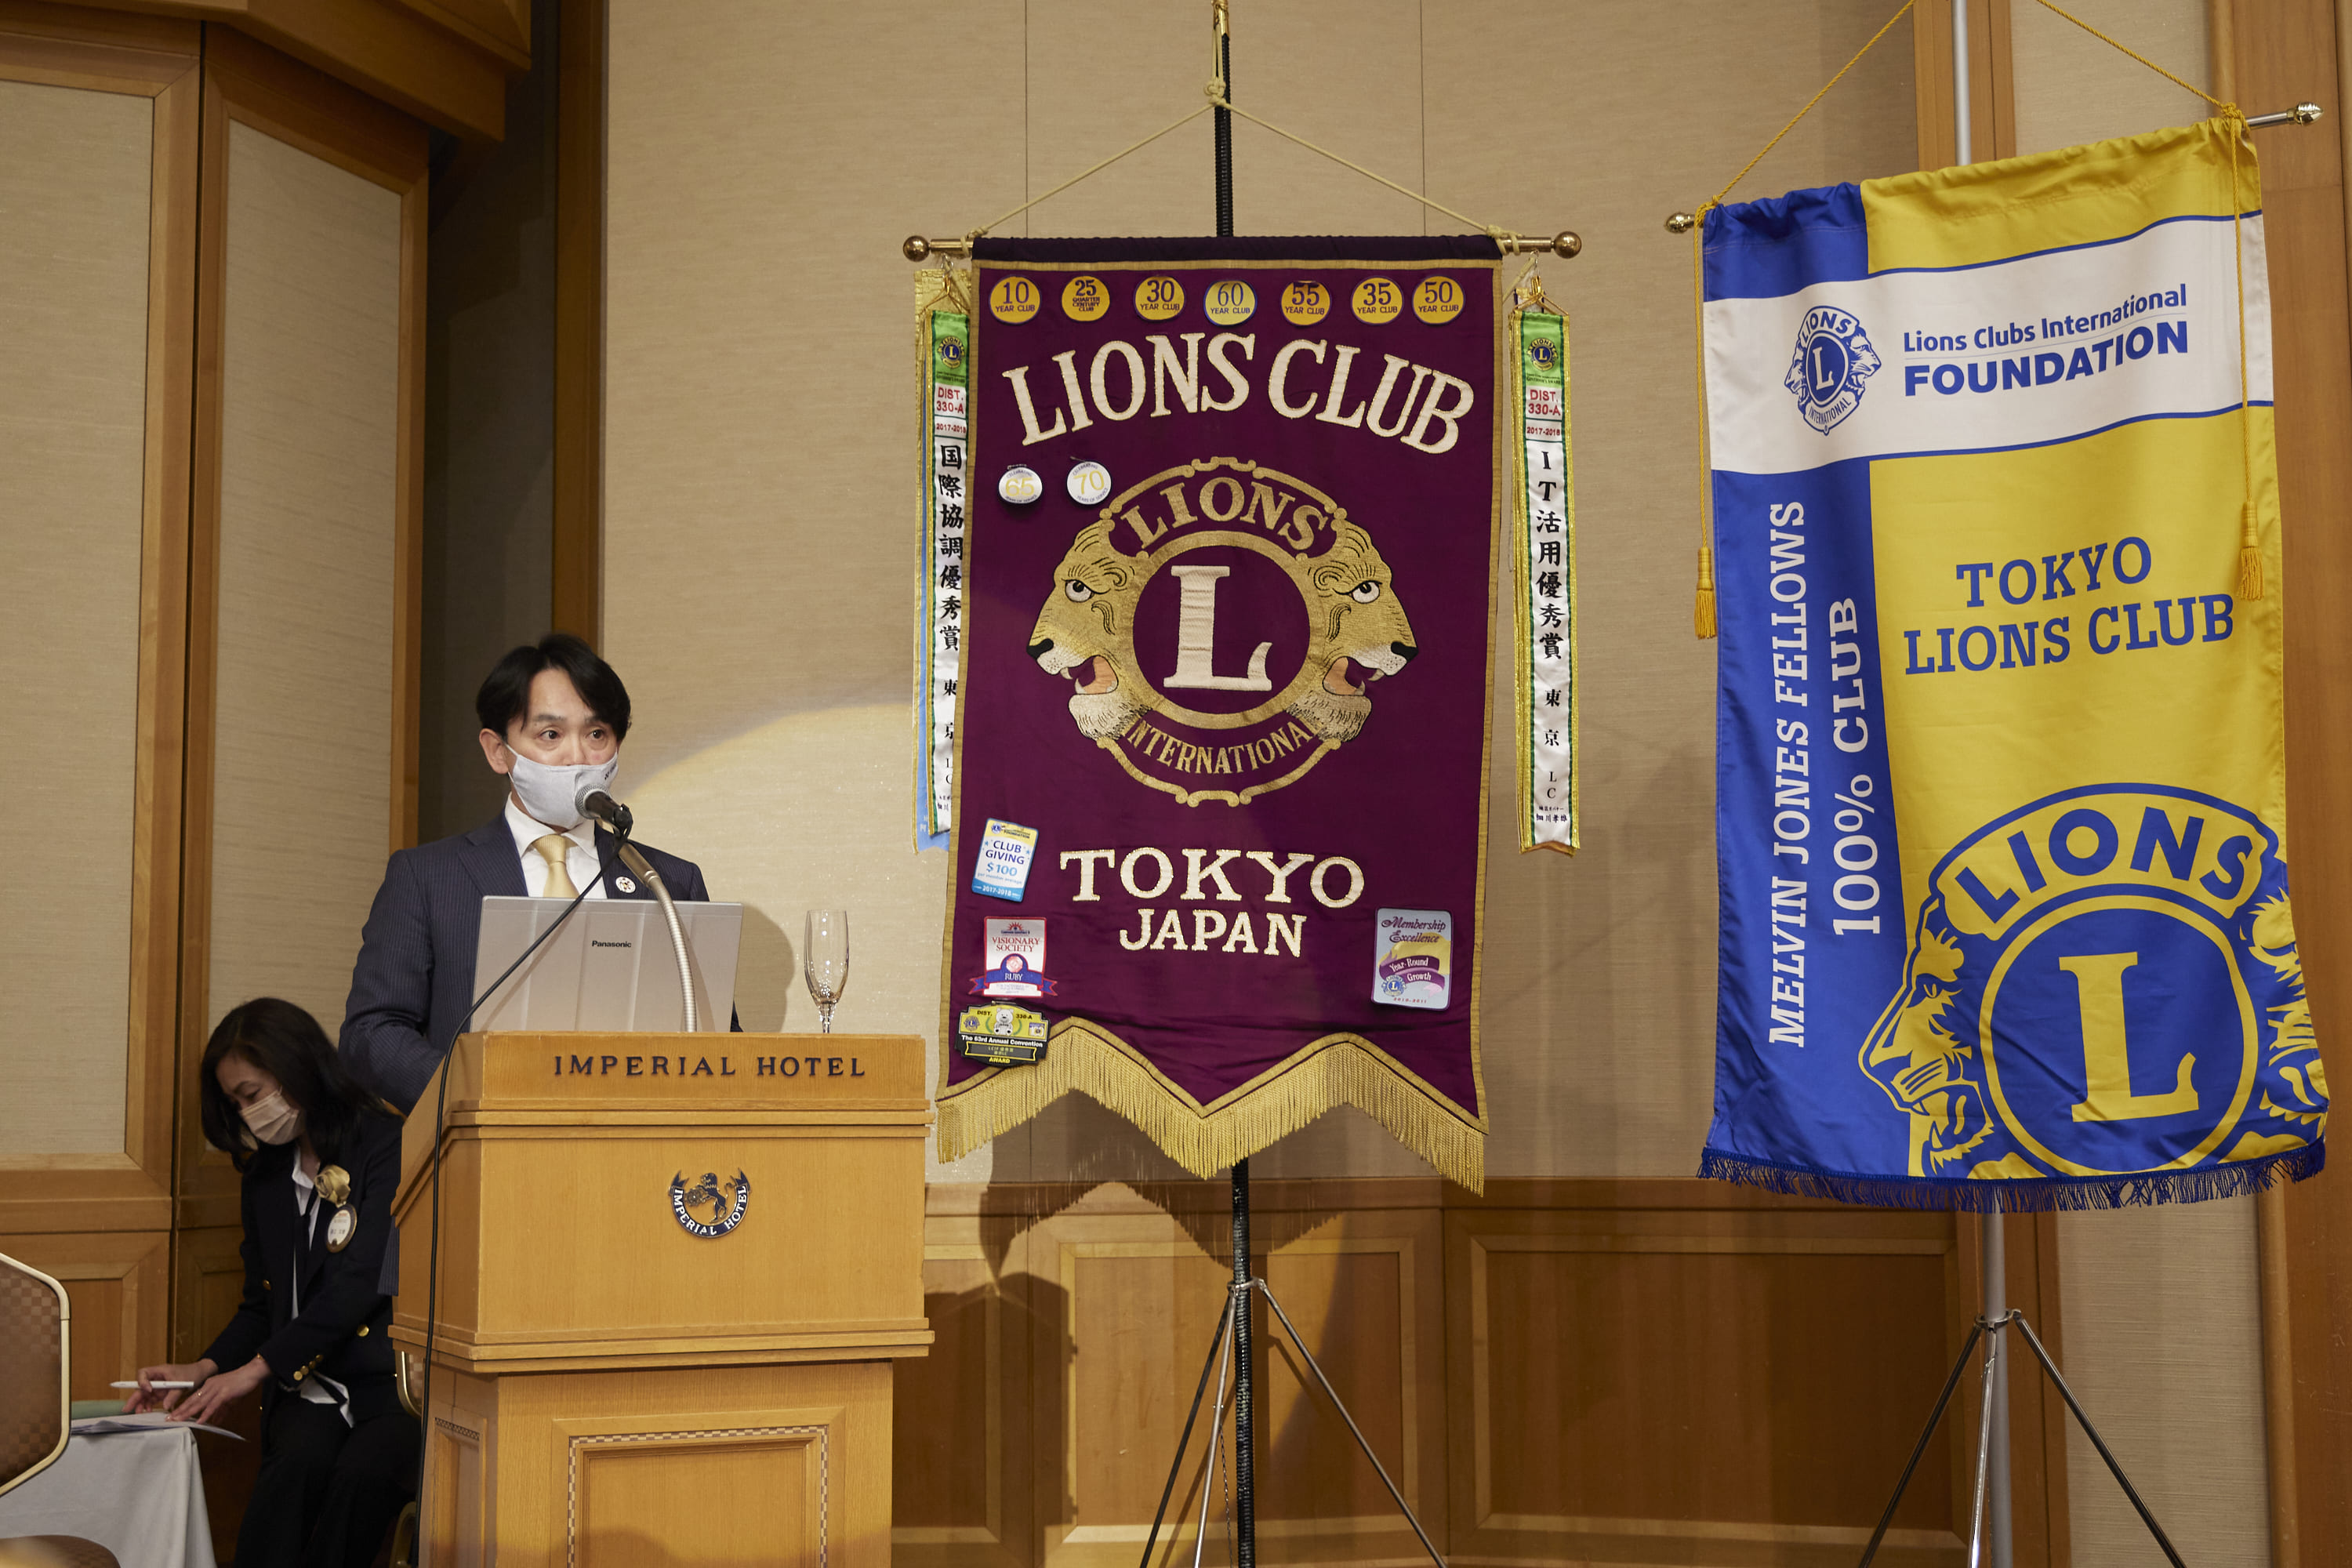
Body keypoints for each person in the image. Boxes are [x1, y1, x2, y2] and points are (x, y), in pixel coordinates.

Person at [340, 633, 720, 1111]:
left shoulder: (667, 882)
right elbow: (371, 1033)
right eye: (550, 735)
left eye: (597, 734)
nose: (577, 756)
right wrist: (473, 1097)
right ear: (497, 751)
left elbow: (717, 1037)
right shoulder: (427, 877)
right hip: (484, 1140)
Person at [128, 998, 415, 1568]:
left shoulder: (386, 1142)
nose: (248, 1112)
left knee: (361, 1478)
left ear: (297, 1069)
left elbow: (362, 1283)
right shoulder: (265, 1176)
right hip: (309, 1383)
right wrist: (204, 1368)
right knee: (291, 1472)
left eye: (252, 1094)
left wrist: (256, 1370)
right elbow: (263, 1305)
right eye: (236, 1103)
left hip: (389, 1382)